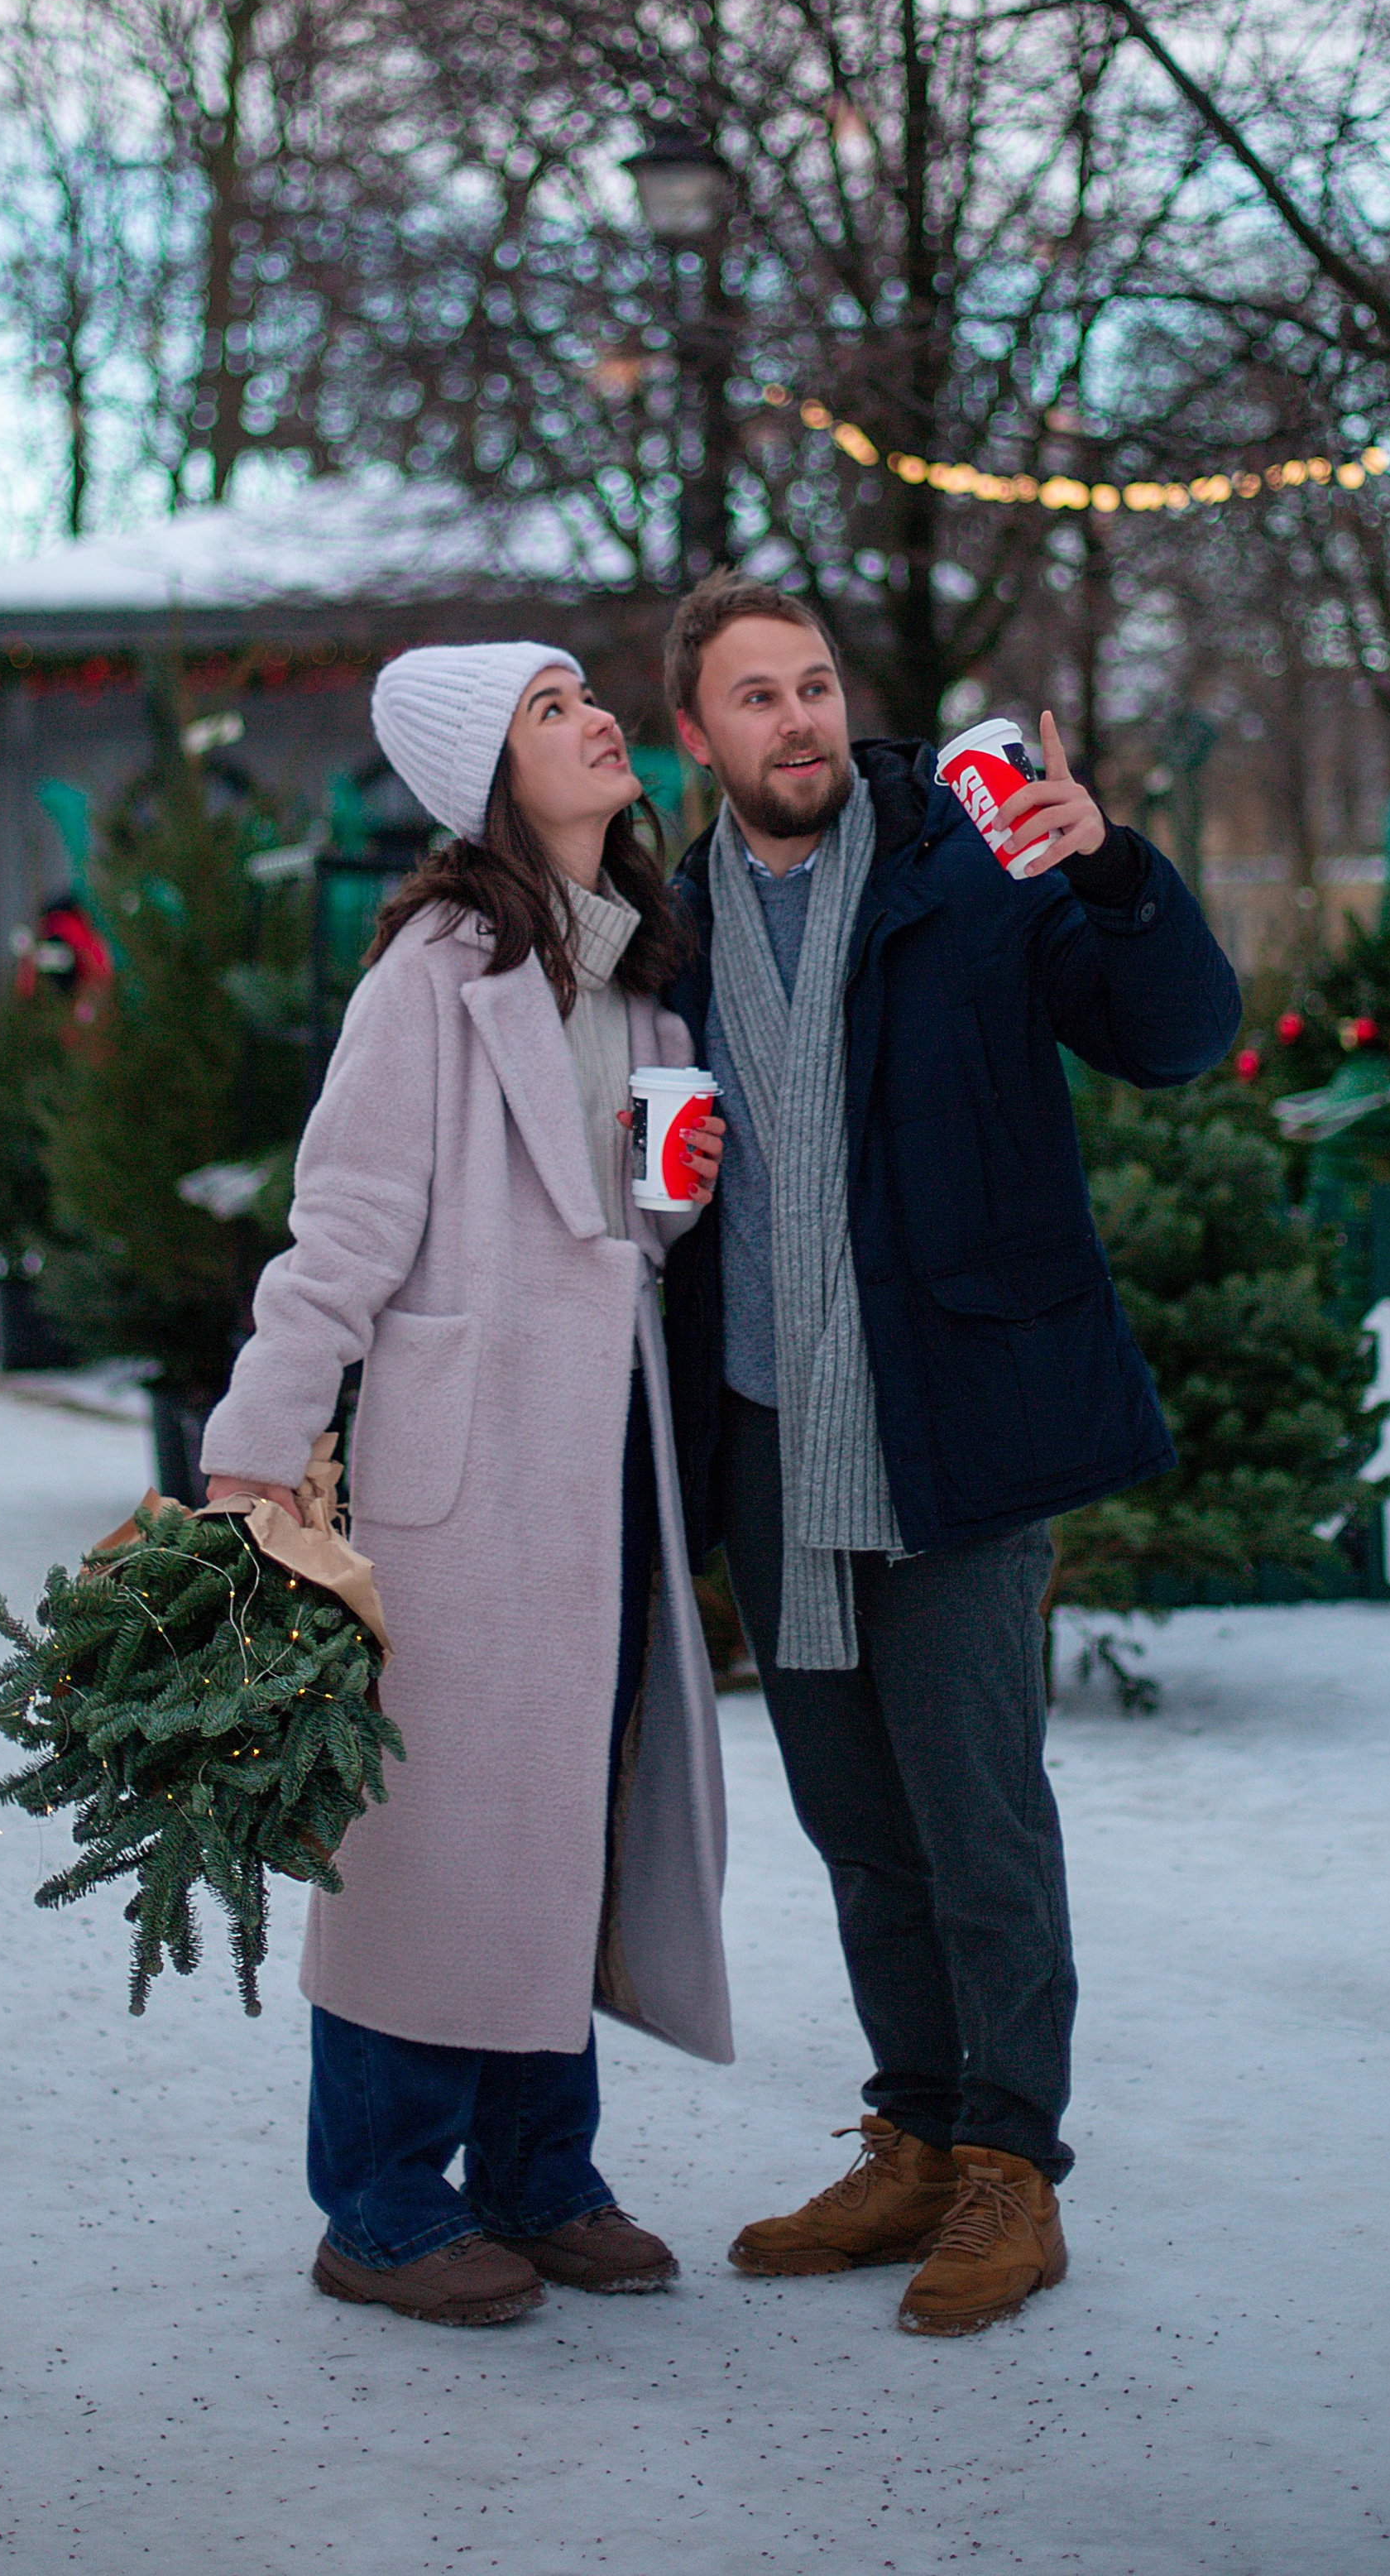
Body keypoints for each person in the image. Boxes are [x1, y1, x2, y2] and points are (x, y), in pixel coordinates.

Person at [660, 574, 1239, 2339]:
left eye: (814, 685)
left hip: (958, 1419)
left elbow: (1173, 1038)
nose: (797, 721)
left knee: (974, 1808)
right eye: (753, 697)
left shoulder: (970, 868)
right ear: (694, 738)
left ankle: (1011, 2170)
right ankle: (911, 2132)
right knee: (850, 1813)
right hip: (769, 1433)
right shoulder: (662, 926)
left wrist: (1115, 875)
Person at [198, 640, 731, 2329]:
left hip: (598, 1470)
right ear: (486, 772)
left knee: (557, 1816)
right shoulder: (431, 974)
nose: (596, 722)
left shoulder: (635, 973)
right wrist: (251, 1451)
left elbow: (614, 1236)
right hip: (461, 1466)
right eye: (550, 709)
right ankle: (378, 2200)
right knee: (430, 1835)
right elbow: (342, 1226)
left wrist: (673, 1197)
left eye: (589, 696)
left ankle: (534, 2172)